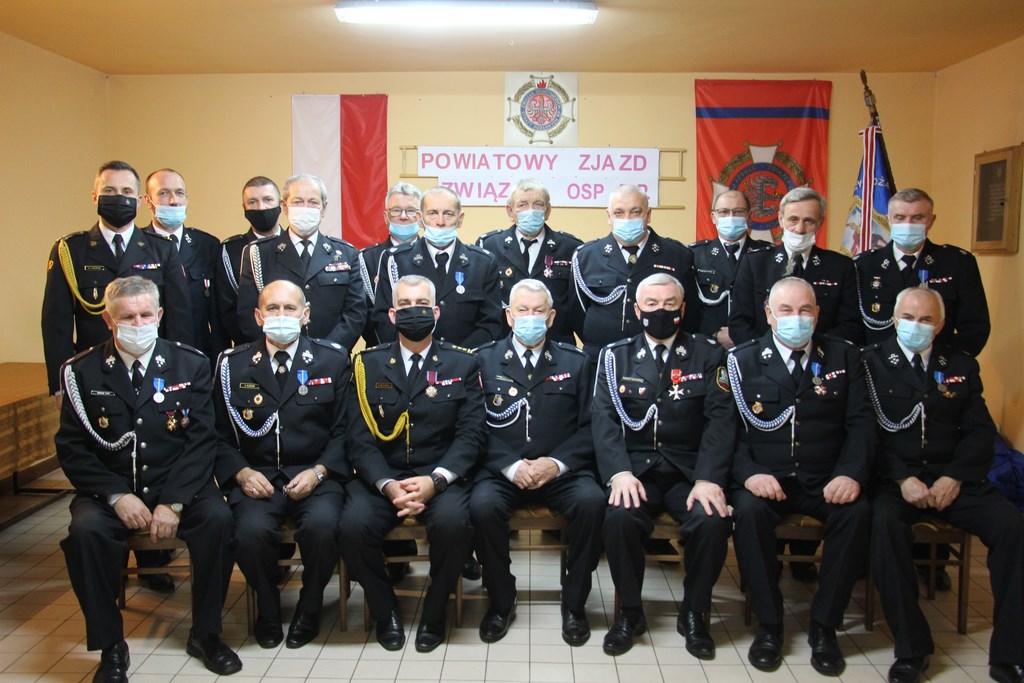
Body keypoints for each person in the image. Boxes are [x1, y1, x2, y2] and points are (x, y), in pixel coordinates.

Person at [55, 276, 241, 681]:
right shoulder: (81, 371)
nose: (137, 324)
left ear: (159, 315)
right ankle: (111, 646)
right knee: (84, 533)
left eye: (144, 315)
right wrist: (117, 496)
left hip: (178, 485)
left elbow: (201, 440)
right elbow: (71, 447)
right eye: (127, 317)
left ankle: (206, 633)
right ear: (109, 320)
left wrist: (173, 501)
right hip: (111, 488)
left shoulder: (190, 364)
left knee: (219, 520)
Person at [863, 286, 1024, 683]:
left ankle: (1010, 653)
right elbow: (864, 432)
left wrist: (955, 476)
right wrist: (901, 477)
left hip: (953, 478)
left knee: (1013, 527)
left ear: (940, 325)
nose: (916, 326)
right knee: (883, 527)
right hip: (895, 481)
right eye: (908, 318)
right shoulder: (869, 362)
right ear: (894, 320)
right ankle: (912, 649)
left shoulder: (961, 365)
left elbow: (979, 431)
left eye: (926, 319)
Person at [728, 277, 873, 676]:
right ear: (769, 314)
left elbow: (861, 424)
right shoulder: (741, 360)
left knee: (858, 513)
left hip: (825, 479)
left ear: (817, 314)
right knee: (748, 514)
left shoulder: (845, 356)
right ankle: (770, 625)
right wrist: (748, 474)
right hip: (766, 479)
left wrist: (851, 474)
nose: (797, 318)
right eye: (786, 310)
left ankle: (825, 626)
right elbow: (726, 430)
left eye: (805, 310)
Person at [592, 273, 736, 658]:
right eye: (652, 304)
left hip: (689, 472)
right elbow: (603, 420)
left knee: (712, 521)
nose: (661, 311)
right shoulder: (615, 356)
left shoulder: (709, 354)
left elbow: (721, 421)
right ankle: (630, 613)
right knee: (619, 518)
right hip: (636, 471)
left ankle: (694, 612)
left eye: (669, 304)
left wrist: (708, 478)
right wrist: (619, 473)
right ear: (637, 310)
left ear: (683, 309)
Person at [339, 275, 485, 653]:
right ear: (391, 314)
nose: (413, 311)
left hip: (440, 476)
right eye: (404, 305)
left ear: (436, 312)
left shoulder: (463, 362)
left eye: (421, 304)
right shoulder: (366, 364)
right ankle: (385, 610)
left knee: (454, 526)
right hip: (383, 476)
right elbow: (358, 439)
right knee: (352, 527)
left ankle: (435, 612)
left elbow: (471, 435)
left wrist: (435, 481)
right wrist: (387, 485)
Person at [213, 280, 351, 649]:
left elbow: (344, 432)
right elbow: (219, 435)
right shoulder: (231, 365)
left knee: (323, 528)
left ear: (306, 315)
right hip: (256, 476)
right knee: (249, 534)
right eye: (272, 308)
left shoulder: (333, 359)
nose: (281, 315)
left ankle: (309, 606)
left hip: (317, 474)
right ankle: (268, 607)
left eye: (290, 308)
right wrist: (241, 472)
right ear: (258, 316)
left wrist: (319, 472)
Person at [470, 279, 604, 646]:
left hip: (560, 470)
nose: (531, 317)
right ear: (509, 316)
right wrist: (511, 466)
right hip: (502, 470)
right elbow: (472, 427)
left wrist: (557, 463)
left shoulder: (577, 362)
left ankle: (574, 602)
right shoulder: (482, 360)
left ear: (551, 317)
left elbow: (591, 426)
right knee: (481, 506)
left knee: (593, 503)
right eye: (523, 310)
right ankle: (501, 600)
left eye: (538, 311)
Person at [42, 160, 192, 397]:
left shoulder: (162, 249)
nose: (119, 198)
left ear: (139, 200)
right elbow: (56, 325)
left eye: (126, 191)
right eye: (110, 191)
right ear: (95, 197)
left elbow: (179, 320)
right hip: (93, 375)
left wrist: (180, 378)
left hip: (155, 375)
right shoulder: (71, 251)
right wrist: (61, 386)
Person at [236, 173, 366, 351]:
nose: (305, 208)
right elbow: (248, 314)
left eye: (313, 202)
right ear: (284, 206)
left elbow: (355, 314)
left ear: (324, 208)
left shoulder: (346, 254)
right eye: (297, 202)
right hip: (276, 357)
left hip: (332, 358)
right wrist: (280, 352)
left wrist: (327, 353)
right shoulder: (259, 253)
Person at [854, 187, 990, 356]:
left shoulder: (957, 263)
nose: (908, 224)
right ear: (888, 219)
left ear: (931, 220)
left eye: (918, 218)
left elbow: (975, 328)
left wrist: (946, 363)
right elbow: (852, 326)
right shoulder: (863, 265)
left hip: (936, 365)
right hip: (874, 366)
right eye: (900, 217)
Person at [572, 184, 699, 360]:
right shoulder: (586, 256)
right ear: (609, 216)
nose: (627, 219)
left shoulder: (677, 254)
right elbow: (577, 314)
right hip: (602, 357)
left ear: (648, 215)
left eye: (635, 212)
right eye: (619, 213)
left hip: (660, 357)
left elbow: (690, 313)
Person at [372, 186, 502, 349]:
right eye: (432, 213)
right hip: (413, 358)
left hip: (467, 359)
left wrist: (460, 357)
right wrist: (417, 353)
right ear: (420, 218)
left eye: (448, 214)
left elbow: (491, 323)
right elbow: (384, 319)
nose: (440, 222)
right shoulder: (396, 261)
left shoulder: (483, 263)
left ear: (460, 219)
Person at [729, 187, 862, 346]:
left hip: (821, 357)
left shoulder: (840, 267)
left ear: (819, 223)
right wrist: (774, 354)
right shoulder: (754, 263)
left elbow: (850, 325)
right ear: (781, 219)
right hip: (764, 357)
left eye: (808, 221)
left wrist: (813, 352)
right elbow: (739, 324)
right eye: (793, 219)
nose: (800, 229)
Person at [476, 179, 584, 345]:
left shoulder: (571, 248)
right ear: (510, 211)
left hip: (557, 347)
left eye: (538, 204)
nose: (530, 211)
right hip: (503, 346)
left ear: (547, 211)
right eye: (523, 205)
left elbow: (578, 308)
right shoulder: (489, 246)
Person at [142, 168, 226, 358]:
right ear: (148, 200)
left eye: (179, 193)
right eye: (164, 193)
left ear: (187, 199)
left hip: (198, 354)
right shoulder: (137, 245)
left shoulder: (207, 245)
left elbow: (217, 316)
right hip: (151, 354)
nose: (174, 201)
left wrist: (218, 362)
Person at [690, 190, 770, 348]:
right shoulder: (695, 255)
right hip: (708, 347)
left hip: (755, 347)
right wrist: (714, 334)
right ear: (714, 217)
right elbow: (690, 308)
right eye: (724, 212)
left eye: (738, 211)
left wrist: (743, 335)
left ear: (749, 216)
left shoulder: (766, 256)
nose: (731, 217)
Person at [216, 176, 284, 347]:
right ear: (244, 207)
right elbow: (228, 310)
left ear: (281, 203)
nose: (261, 207)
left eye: (268, 200)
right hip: (249, 347)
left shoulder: (295, 246)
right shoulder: (230, 251)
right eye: (252, 202)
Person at [358, 182, 422, 347]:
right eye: (396, 210)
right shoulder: (367, 258)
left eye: (411, 210)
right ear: (386, 217)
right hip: (381, 350)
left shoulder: (433, 255)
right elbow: (364, 314)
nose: (403, 216)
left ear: (420, 216)